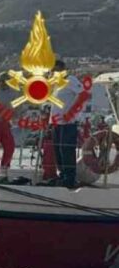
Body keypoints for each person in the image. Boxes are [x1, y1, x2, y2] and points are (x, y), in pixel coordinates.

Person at [51, 59, 84, 188]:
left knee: (66, 150)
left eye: (56, 70)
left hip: (68, 123)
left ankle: (69, 179)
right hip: (56, 123)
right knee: (57, 151)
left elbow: (83, 95)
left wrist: (70, 113)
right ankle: (62, 176)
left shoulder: (71, 80)